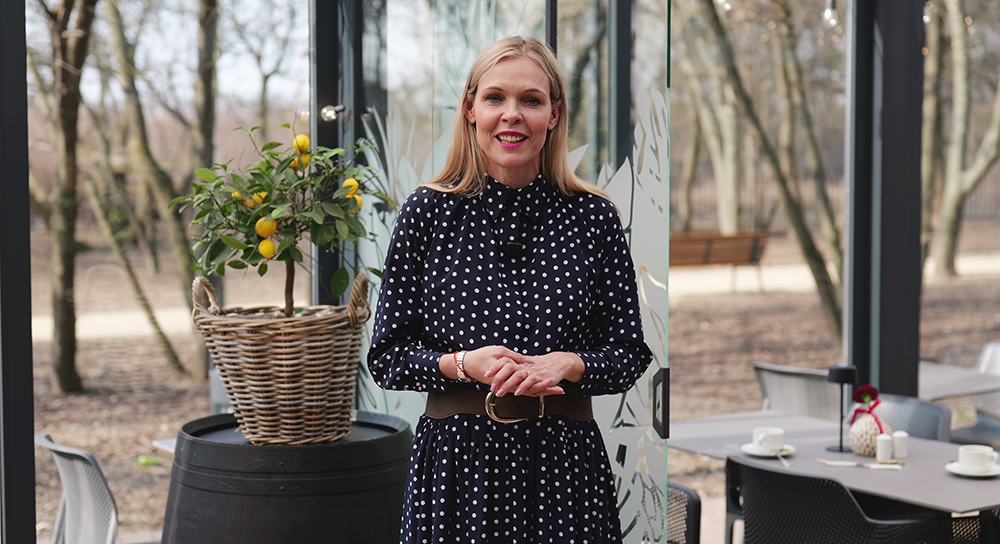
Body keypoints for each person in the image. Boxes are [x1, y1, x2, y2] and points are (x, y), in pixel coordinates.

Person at [368, 36, 653, 544]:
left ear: (554, 115)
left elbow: (629, 353)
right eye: (495, 97)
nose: (512, 114)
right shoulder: (427, 213)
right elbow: (388, 356)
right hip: (457, 472)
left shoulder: (593, 218)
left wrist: (570, 364)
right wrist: (462, 364)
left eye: (531, 100)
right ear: (470, 110)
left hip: (567, 472)